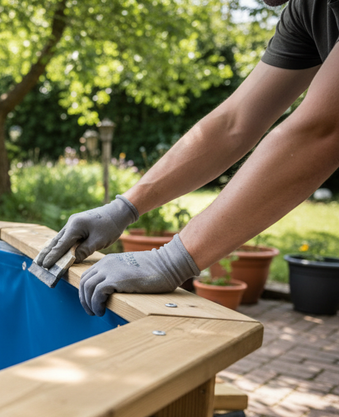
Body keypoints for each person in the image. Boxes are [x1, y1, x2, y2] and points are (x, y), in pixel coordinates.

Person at [34, 0, 339, 316]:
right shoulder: (307, 9)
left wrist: (173, 259)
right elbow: (234, 123)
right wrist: (123, 208)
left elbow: (320, 130)